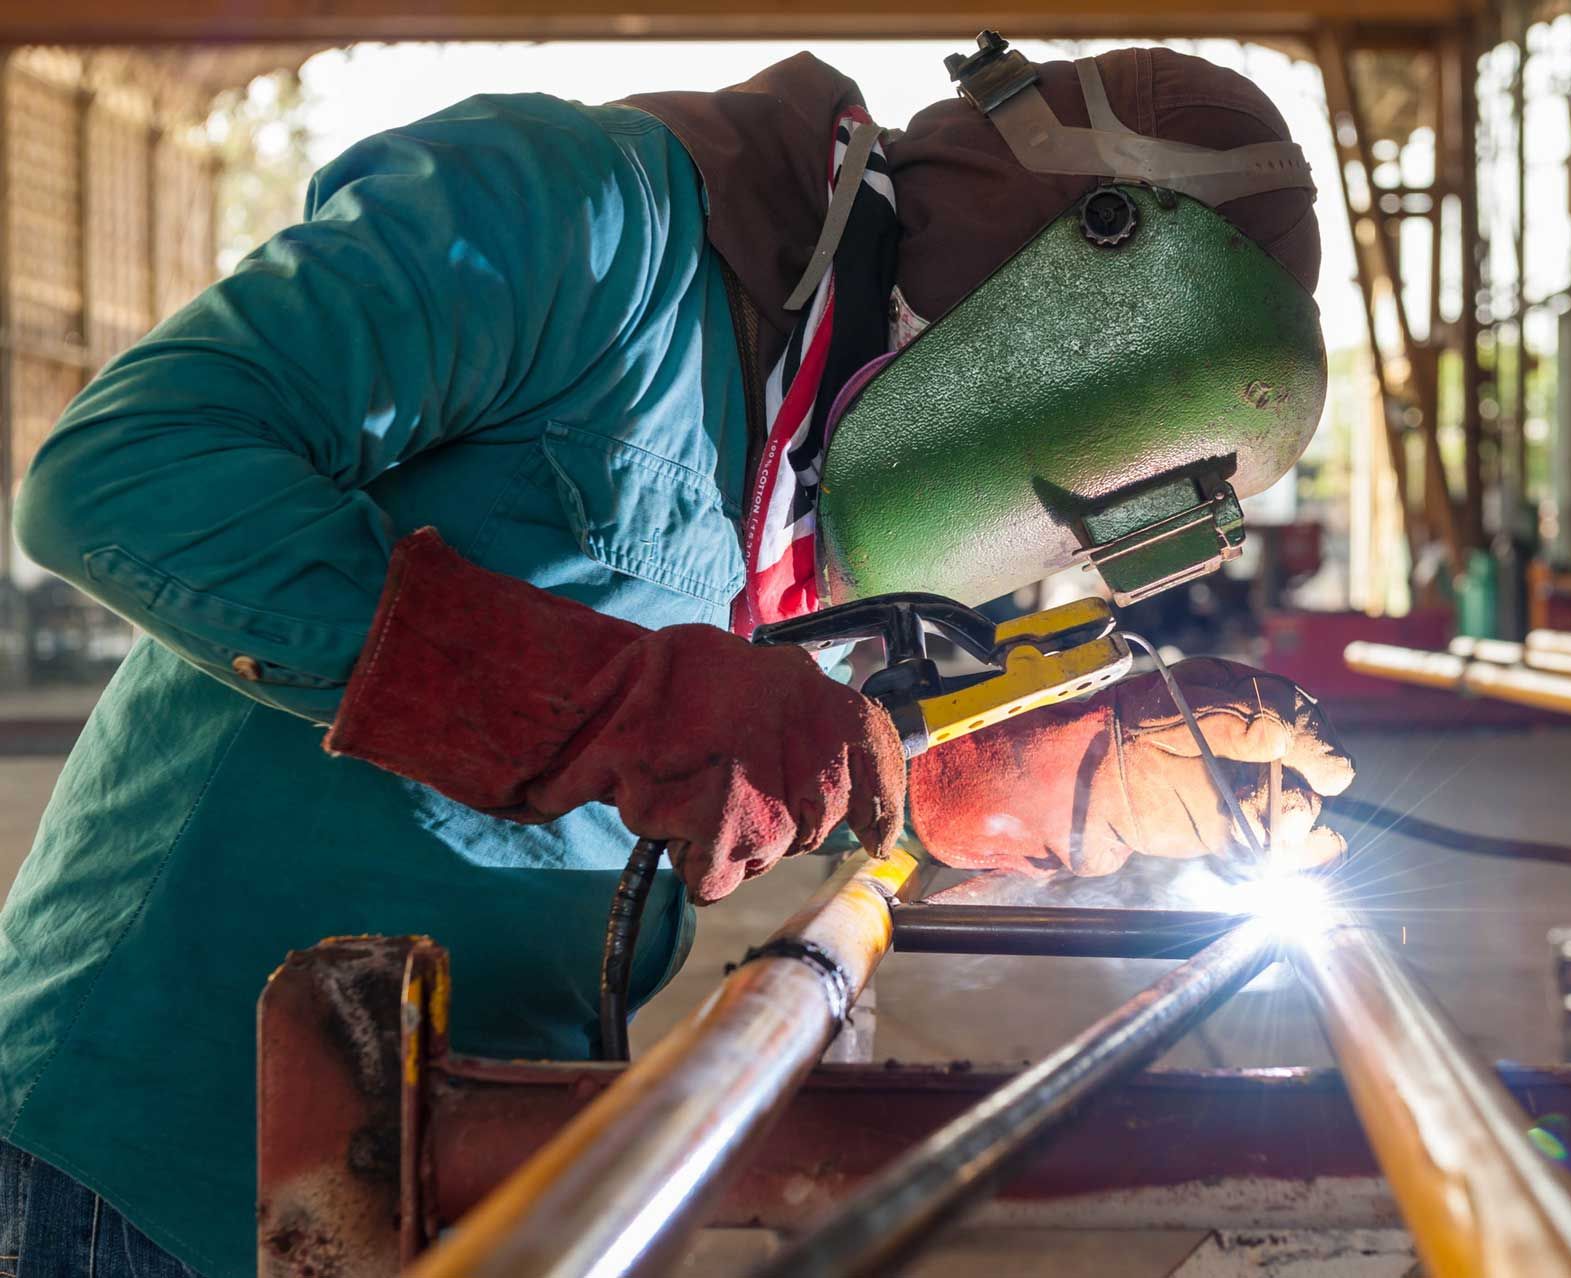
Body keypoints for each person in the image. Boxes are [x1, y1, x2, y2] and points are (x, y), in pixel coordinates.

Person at [0, 38, 1352, 1277]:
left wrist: (995, 772)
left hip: (448, 1153)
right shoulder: (592, 219)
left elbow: (758, 726)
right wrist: (619, 701)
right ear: (1076, 280)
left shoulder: (824, 450)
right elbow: (126, 471)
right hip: (146, 1160)